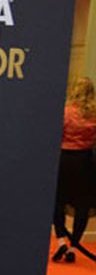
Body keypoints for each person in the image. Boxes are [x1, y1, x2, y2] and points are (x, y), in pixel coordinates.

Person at [51, 77, 96, 263]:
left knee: (57, 202)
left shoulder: (65, 112)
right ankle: (73, 245)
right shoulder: (94, 114)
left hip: (64, 160)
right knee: (82, 206)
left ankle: (61, 239)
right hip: (85, 162)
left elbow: (56, 135)